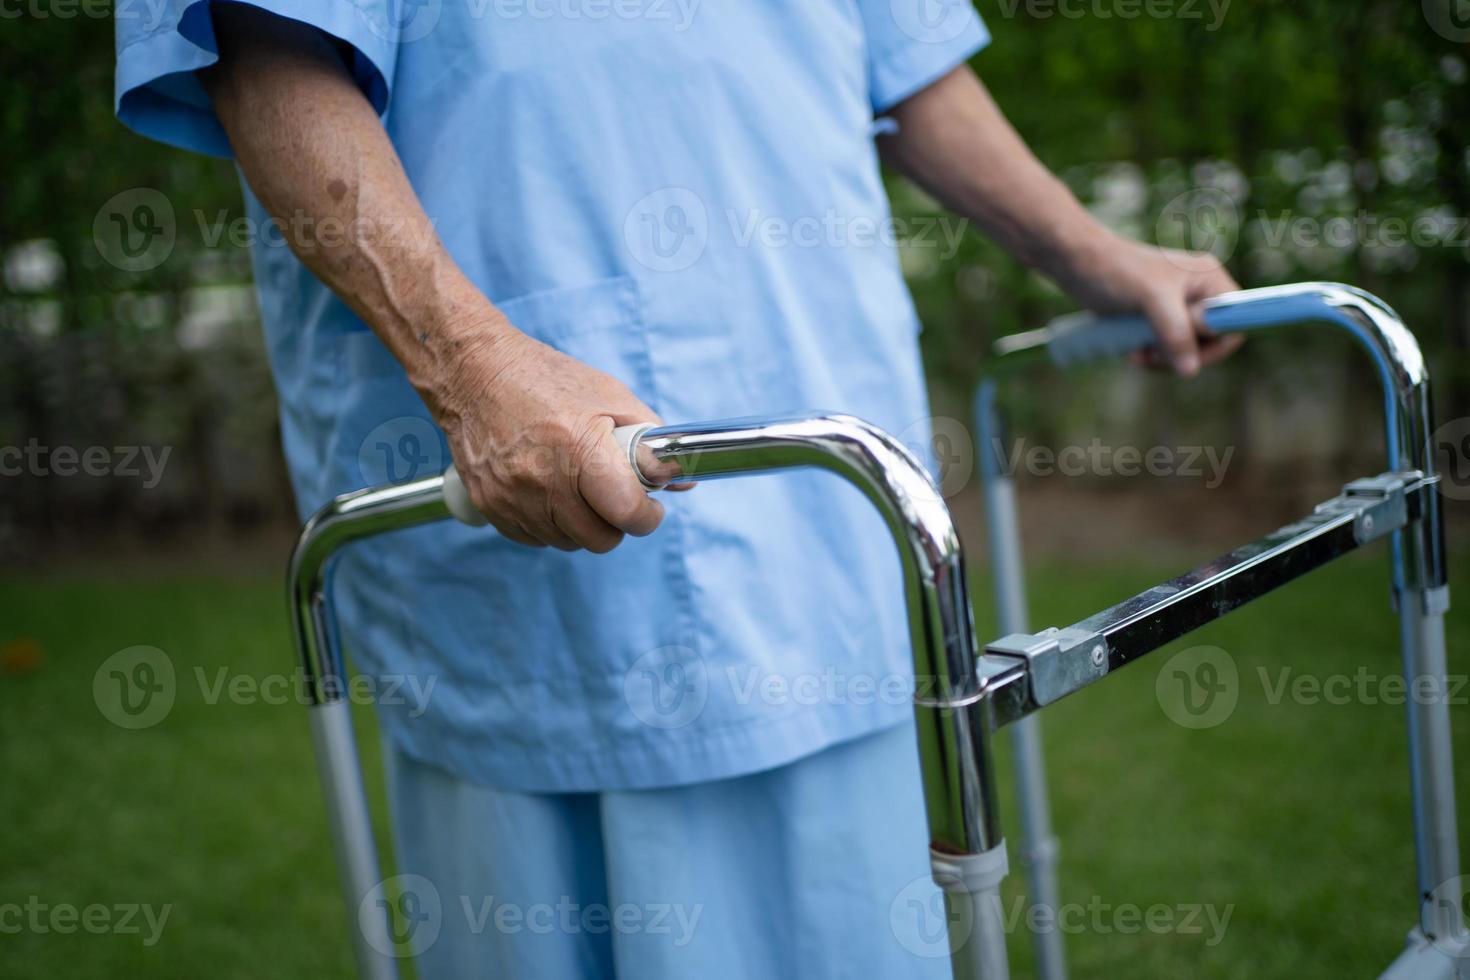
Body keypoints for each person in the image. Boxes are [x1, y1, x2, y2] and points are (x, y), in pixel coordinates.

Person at [115, 2, 1240, 976]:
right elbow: (265, 52)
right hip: (558, 563)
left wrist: (1101, 256)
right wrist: (473, 365)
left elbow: (909, 58)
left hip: (845, 515)